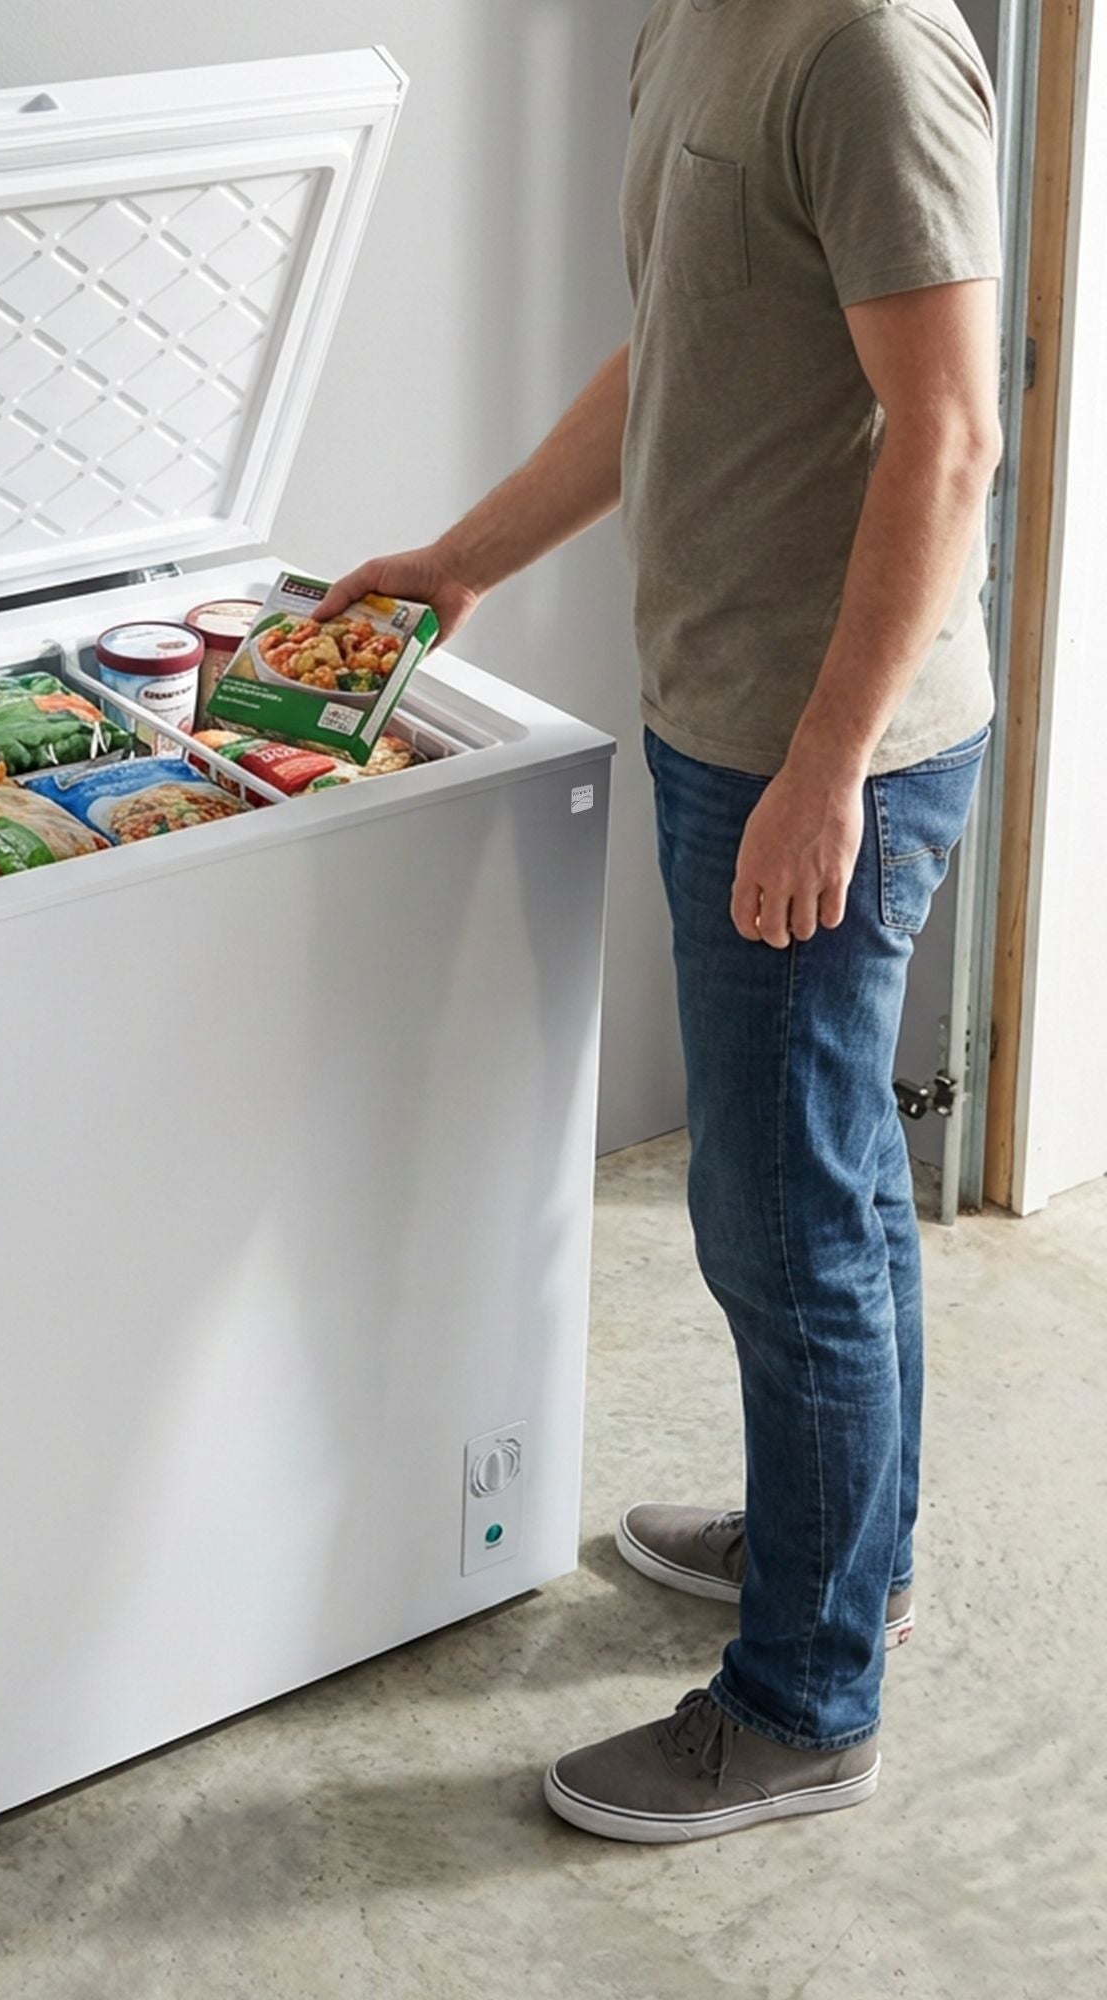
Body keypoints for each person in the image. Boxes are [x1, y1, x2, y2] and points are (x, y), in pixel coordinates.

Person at [323, 0, 1003, 1841]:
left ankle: (803, 1701)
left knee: (781, 1215)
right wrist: (463, 559)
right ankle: (841, 1564)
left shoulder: (865, 50)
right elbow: (684, 357)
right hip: (731, 717)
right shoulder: (703, 20)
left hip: (816, 744)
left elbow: (950, 437)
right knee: (832, 1182)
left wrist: (824, 766)